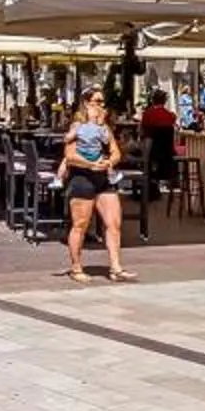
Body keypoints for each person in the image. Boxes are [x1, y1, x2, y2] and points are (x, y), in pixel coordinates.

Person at [60, 87, 133, 281]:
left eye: (102, 102)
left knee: (114, 223)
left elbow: (115, 152)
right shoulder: (77, 126)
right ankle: (76, 268)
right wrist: (91, 164)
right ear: (86, 103)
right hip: (81, 177)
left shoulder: (104, 128)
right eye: (96, 101)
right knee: (81, 224)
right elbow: (70, 156)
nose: (100, 105)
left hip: (103, 178)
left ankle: (116, 267)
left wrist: (109, 162)